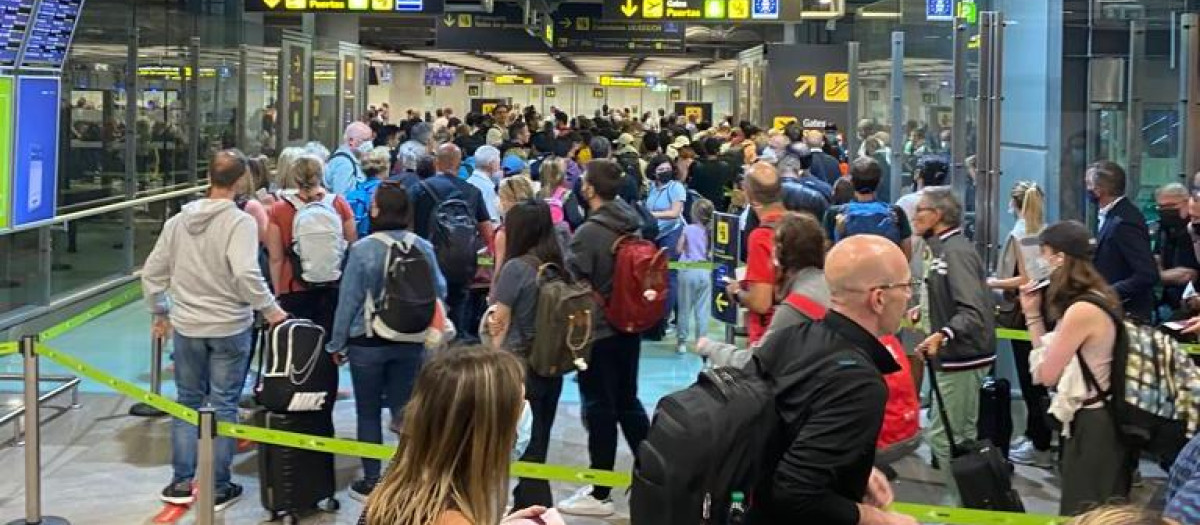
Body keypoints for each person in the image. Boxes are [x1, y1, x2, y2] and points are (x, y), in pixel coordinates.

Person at [142, 150, 287, 510]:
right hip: (229, 326)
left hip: (188, 326)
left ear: (209, 176)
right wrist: (271, 311)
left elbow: (152, 275)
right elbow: (246, 273)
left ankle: (180, 480)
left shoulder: (177, 222)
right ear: (240, 181)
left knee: (187, 401)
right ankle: (219, 485)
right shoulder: (239, 223)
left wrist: (161, 311)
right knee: (224, 403)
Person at [750, 235, 917, 525]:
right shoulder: (860, 384)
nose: (909, 296)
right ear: (878, 298)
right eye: (906, 287)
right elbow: (794, 492)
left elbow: (782, 434)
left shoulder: (789, 339)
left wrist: (854, 468)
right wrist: (878, 519)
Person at [327, 181, 446, 501]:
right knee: (405, 411)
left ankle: (372, 481)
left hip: (366, 341)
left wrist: (336, 345)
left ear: (377, 210)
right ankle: (407, 477)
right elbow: (440, 290)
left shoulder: (363, 249)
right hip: (410, 339)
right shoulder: (422, 246)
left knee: (367, 413)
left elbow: (348, 301)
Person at [358, 346, 564, 525]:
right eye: (520, 405)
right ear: (489, 431)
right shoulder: (450, 517)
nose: (526, 415)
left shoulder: (400, 485)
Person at [1018, 220, 1134, 516]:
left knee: (1084, 510)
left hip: (1092, 424)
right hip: (1103, 417)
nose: (1040, 262)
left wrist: (1032, 316)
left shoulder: (1081, 311)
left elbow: (1046, 374)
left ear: (1061, 257)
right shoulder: (1102, 296)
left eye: (1044, 253)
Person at [558, 160, 651, 516]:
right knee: (628, 400)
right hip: (629, 326)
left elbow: (572, 279)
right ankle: (652, 475)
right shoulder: (633, 223)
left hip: (597, 330)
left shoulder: (590, 233)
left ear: (591, 189)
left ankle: (600, 492)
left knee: (599, 406)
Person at [910, 186, 996, 499]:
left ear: (938, 215)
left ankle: (959, 505)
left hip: (961, 356)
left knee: (946, 437)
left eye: (921, 209)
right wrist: (929, 308)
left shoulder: (955, 251)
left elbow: (972, 310)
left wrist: (942, 333)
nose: (915, 216)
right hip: (955, 355)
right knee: (957, 434)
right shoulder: (944, 248)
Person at [485, 200, 567, 509]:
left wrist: (493, 357)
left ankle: (534, 506)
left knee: (522, 443)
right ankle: (528, 501)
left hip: (518, 366)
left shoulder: (515, 268)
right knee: (540, 439)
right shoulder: (557, 265)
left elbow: (499, 320)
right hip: (551, 364)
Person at [987, 181, 1053, 468]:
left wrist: (993, 282)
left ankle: (1038, 443)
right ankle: (1037, 437)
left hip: (1022, 314)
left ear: (1014, 204)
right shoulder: (1044, 232)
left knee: (1030, 381)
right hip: (1043, 311)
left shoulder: (1019, 234)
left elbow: (1025, 279)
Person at [410, 143, 496, 340]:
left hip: (426, 264)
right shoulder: (472, 192)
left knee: (429, 316)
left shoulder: (419, 190)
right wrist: (484, 265)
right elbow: (486, 234)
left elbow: (409, 227)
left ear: (436, 163)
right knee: (458, 312)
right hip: (462, 265)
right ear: (459, 164)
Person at [267, 155, 358, 333]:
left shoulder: (279, 209)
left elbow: (276, 258)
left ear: (295, 178)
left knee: (297, 348)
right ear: (322, 175)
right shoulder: (339, 203)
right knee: (328, 344)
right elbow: (352, 244)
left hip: (293, 287)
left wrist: (277, 294)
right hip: (333, 285)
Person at [1087, 160, 1159, 321]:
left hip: (1127, 314)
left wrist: (1107, 292)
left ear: (1099, 190)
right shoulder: (1111, 217)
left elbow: (1147, 274)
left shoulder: (1124, 221)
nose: (1087, 189)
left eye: (1088, 185)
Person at [727, 162, 786, 346]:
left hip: (768, 337)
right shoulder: (800, 225)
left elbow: (761, 302)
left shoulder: (761, 237)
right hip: (798, 329)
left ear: (749, 194)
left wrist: (737, 291)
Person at [825, 157, 913, 260]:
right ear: (880, 182)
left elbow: (827, 255)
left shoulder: (834, 214)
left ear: (851, 182)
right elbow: (906, 255)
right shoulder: (896, 213)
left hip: (849, 272)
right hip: (885, 273)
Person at [646, 154, 687, 337]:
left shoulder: (676, 187)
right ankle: (676, 316)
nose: (664, 172)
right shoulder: (652, 188)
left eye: (667, 169)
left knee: (670, 276)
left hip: (672, 234)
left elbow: (675, 212)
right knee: (660, 277)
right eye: (660, 170)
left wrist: (652, 215)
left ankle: (663, 321)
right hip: (656, 234)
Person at [674, 198, 714, 354]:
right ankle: (701, 341)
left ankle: (682, 342)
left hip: (688, 270)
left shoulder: (688, 229)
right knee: (702, 310)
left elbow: (678, 249)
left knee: (684, 308)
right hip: (705, 271)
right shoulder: (712, 231)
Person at [1155, 183, 1200, 320]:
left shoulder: (1190, 232)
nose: (1193, 223)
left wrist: (1157, 274)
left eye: (1171, 207)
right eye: (1162, 207)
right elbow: (1155, 258)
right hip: (1173, 302)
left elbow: (1189, 274)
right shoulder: (1164, 229)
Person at [493, 176, 537, 282]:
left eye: (501, 197)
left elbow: (498, 272)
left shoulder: (504, 233)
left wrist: (492, 295)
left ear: (509, 201)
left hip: (512, 285)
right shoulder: (540, 224)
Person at [327, 122, 375, 196]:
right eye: (365, 140)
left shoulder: (353, 159)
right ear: (351, 141)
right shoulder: (344, 164)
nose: (369, 144)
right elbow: (341, 197)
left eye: (370, 140)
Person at [468, 145, 503, 223]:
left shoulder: (468, 182)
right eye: (498, 162)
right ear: (491, 164)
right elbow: (493, 220)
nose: (500, 166)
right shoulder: (489, 188)